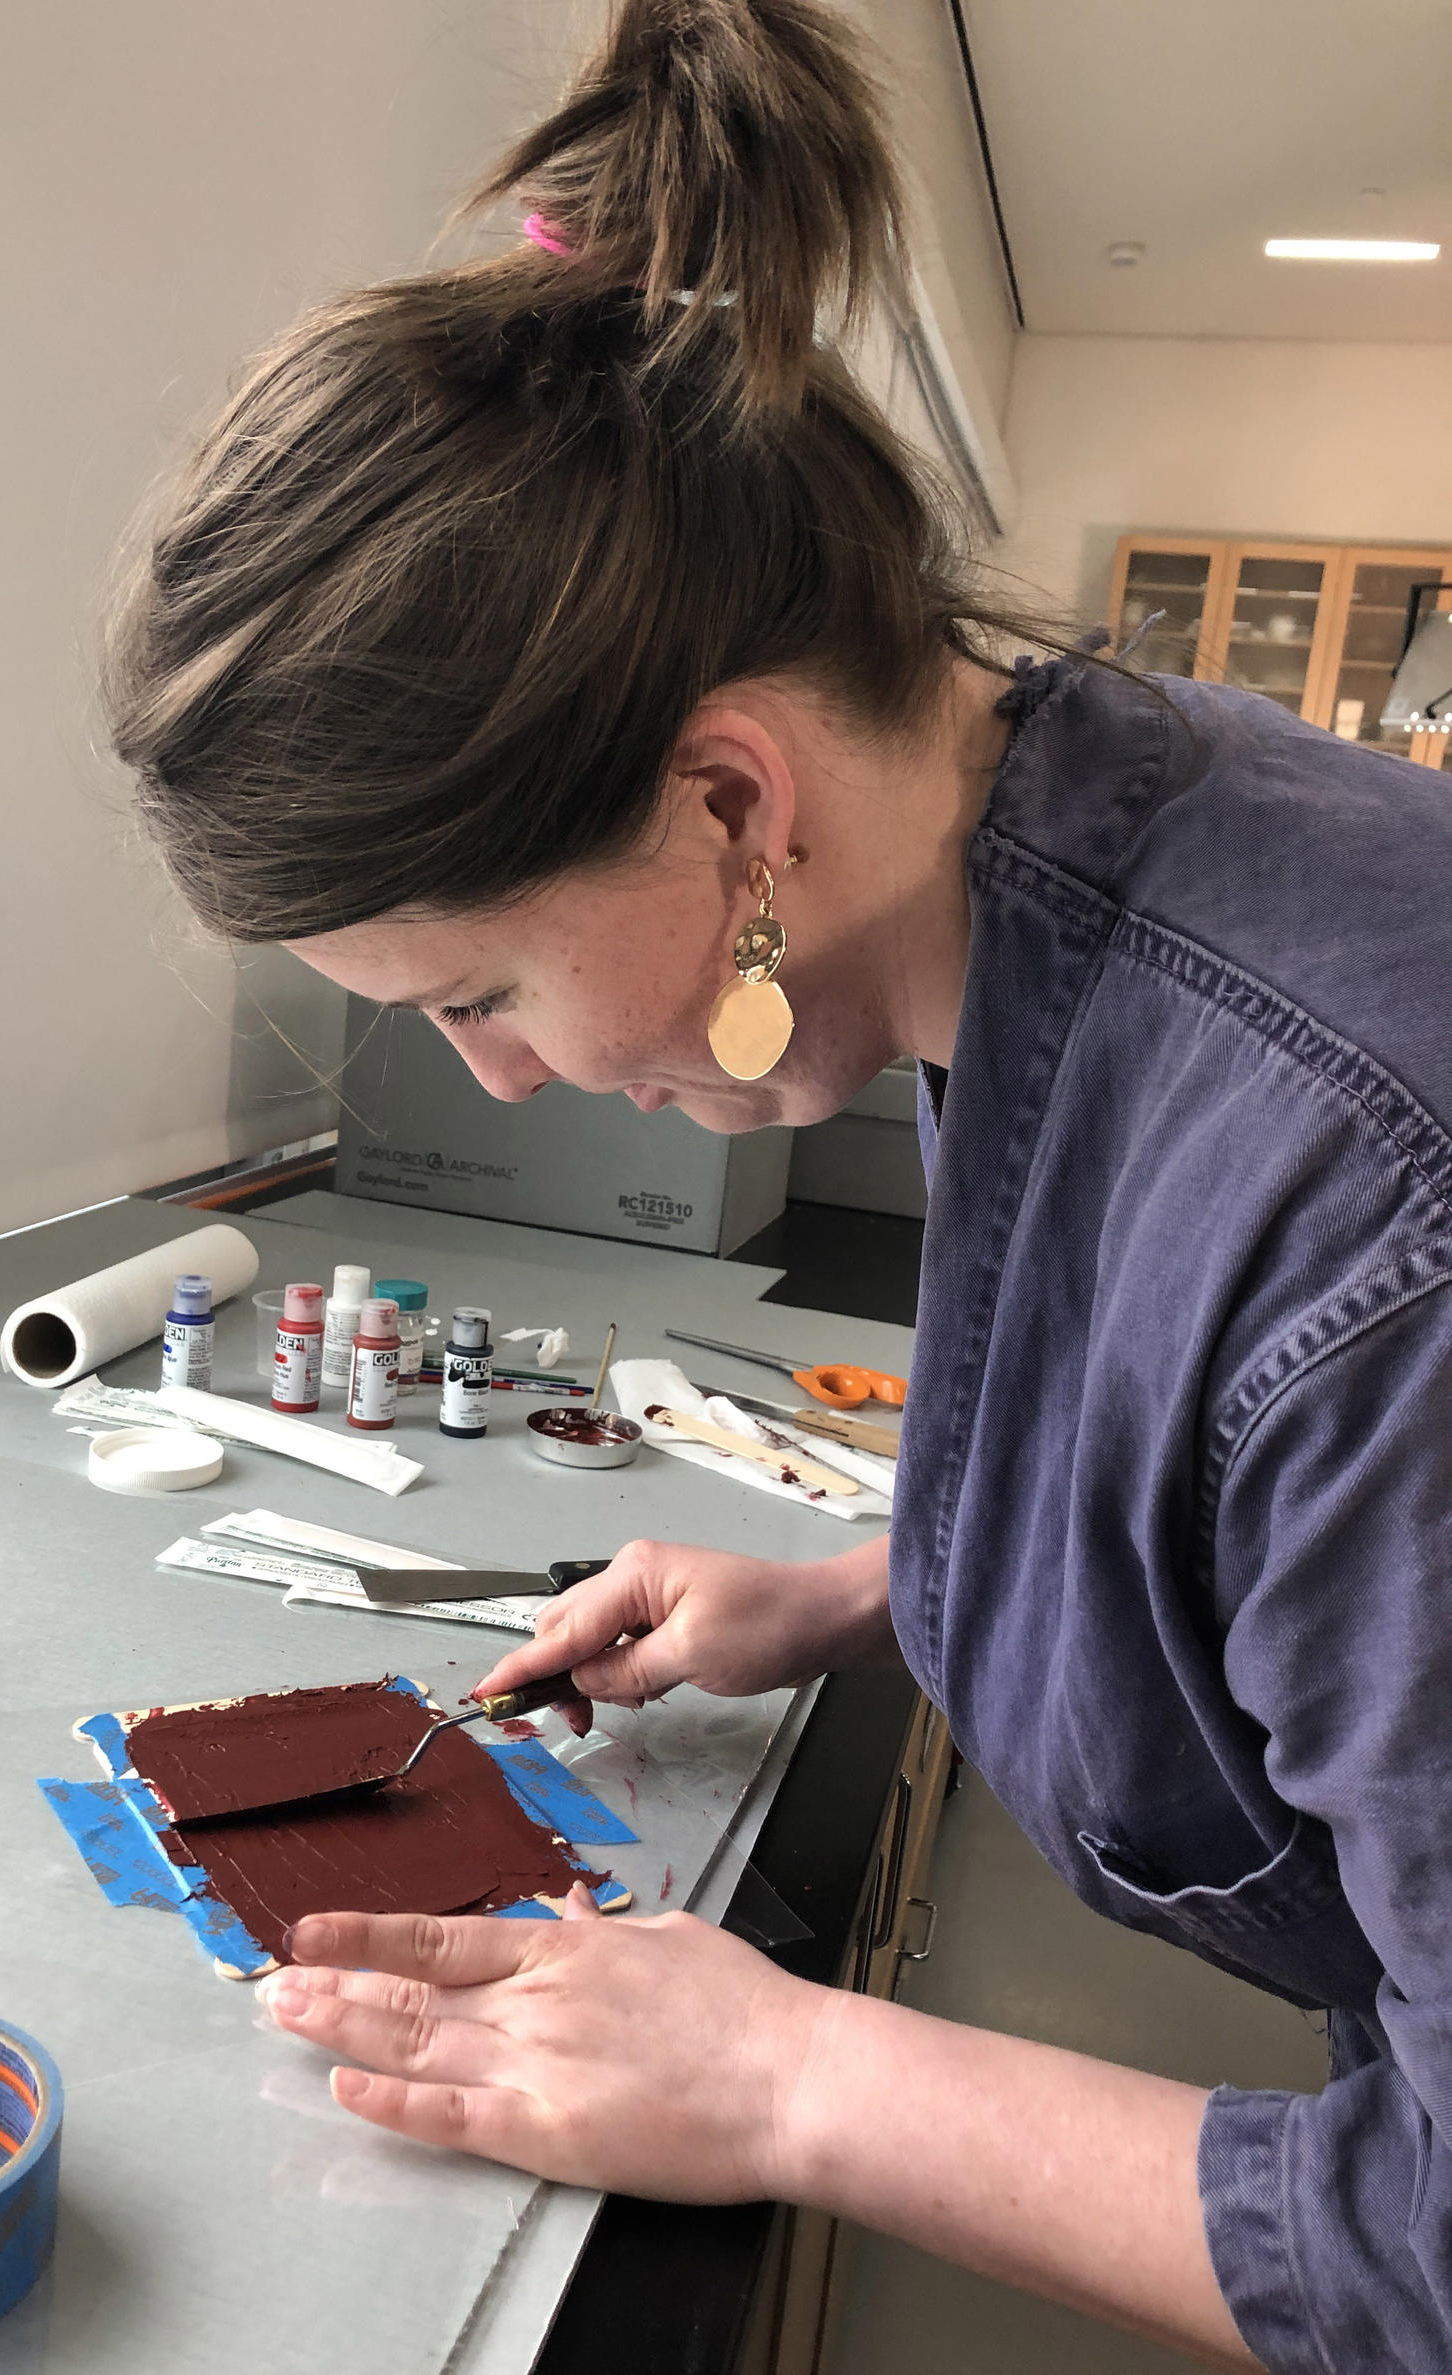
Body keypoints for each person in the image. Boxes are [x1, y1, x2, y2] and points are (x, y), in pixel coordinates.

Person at [103, 4, 1452, 2367]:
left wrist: (793, 2074)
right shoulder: (1074, 850)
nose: (497, 1079)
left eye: (479, 992)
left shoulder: (1373, 1208)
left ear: (732, 810)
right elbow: (1152, 1411)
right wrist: (862, 1587)